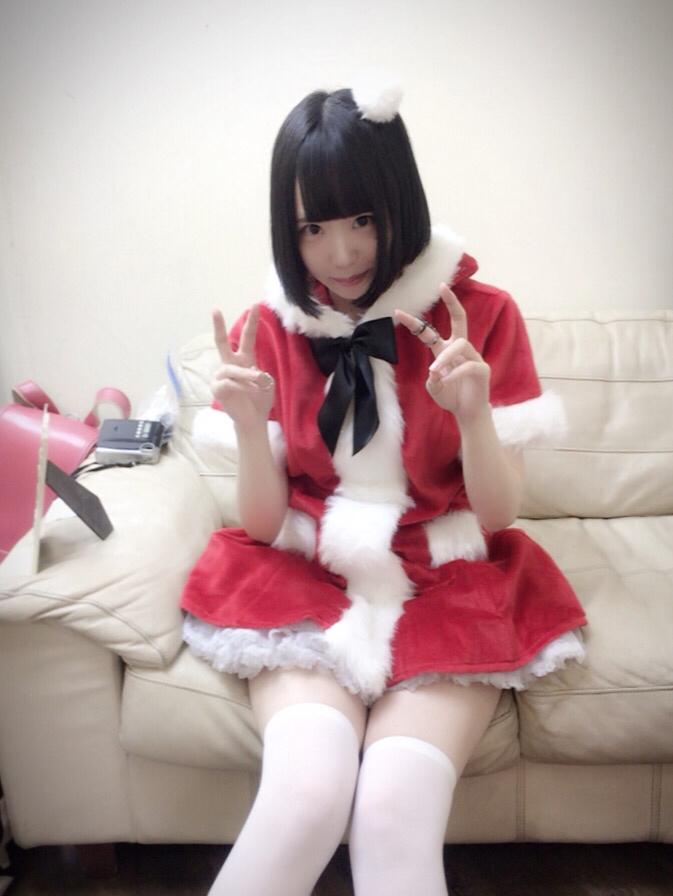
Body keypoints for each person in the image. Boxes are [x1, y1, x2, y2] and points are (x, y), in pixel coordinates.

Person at [180, 83, 588, 896]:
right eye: (312, 228)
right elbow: (259, 525)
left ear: (399, 201)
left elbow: (499, 512)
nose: (340, 253)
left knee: (394, 813)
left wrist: (473, 416)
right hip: (308, 573)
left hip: (448, 580)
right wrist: (251, 428)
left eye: (362, 218)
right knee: (305, 796)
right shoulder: (271, 329)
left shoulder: (481, 316)